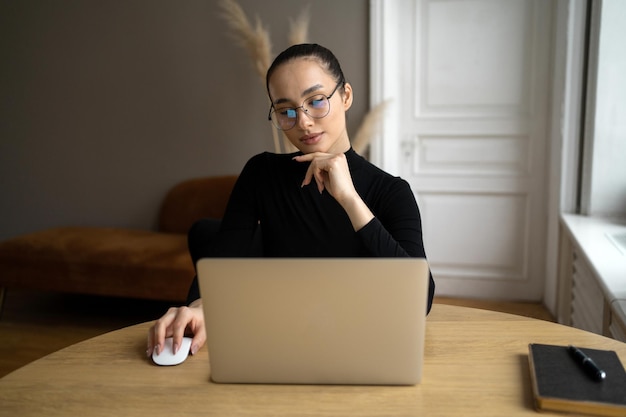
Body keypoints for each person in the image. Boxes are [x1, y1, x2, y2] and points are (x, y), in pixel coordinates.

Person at [147, 43, 435, 358]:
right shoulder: (261, 173)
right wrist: (199, 308)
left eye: (316, 101)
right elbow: (221, 264)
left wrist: (349, 198)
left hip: (356, 348)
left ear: (346, 96)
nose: (303, 121)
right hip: (277, 343)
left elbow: (419, 300)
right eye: (286, 111)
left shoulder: (391, 192)